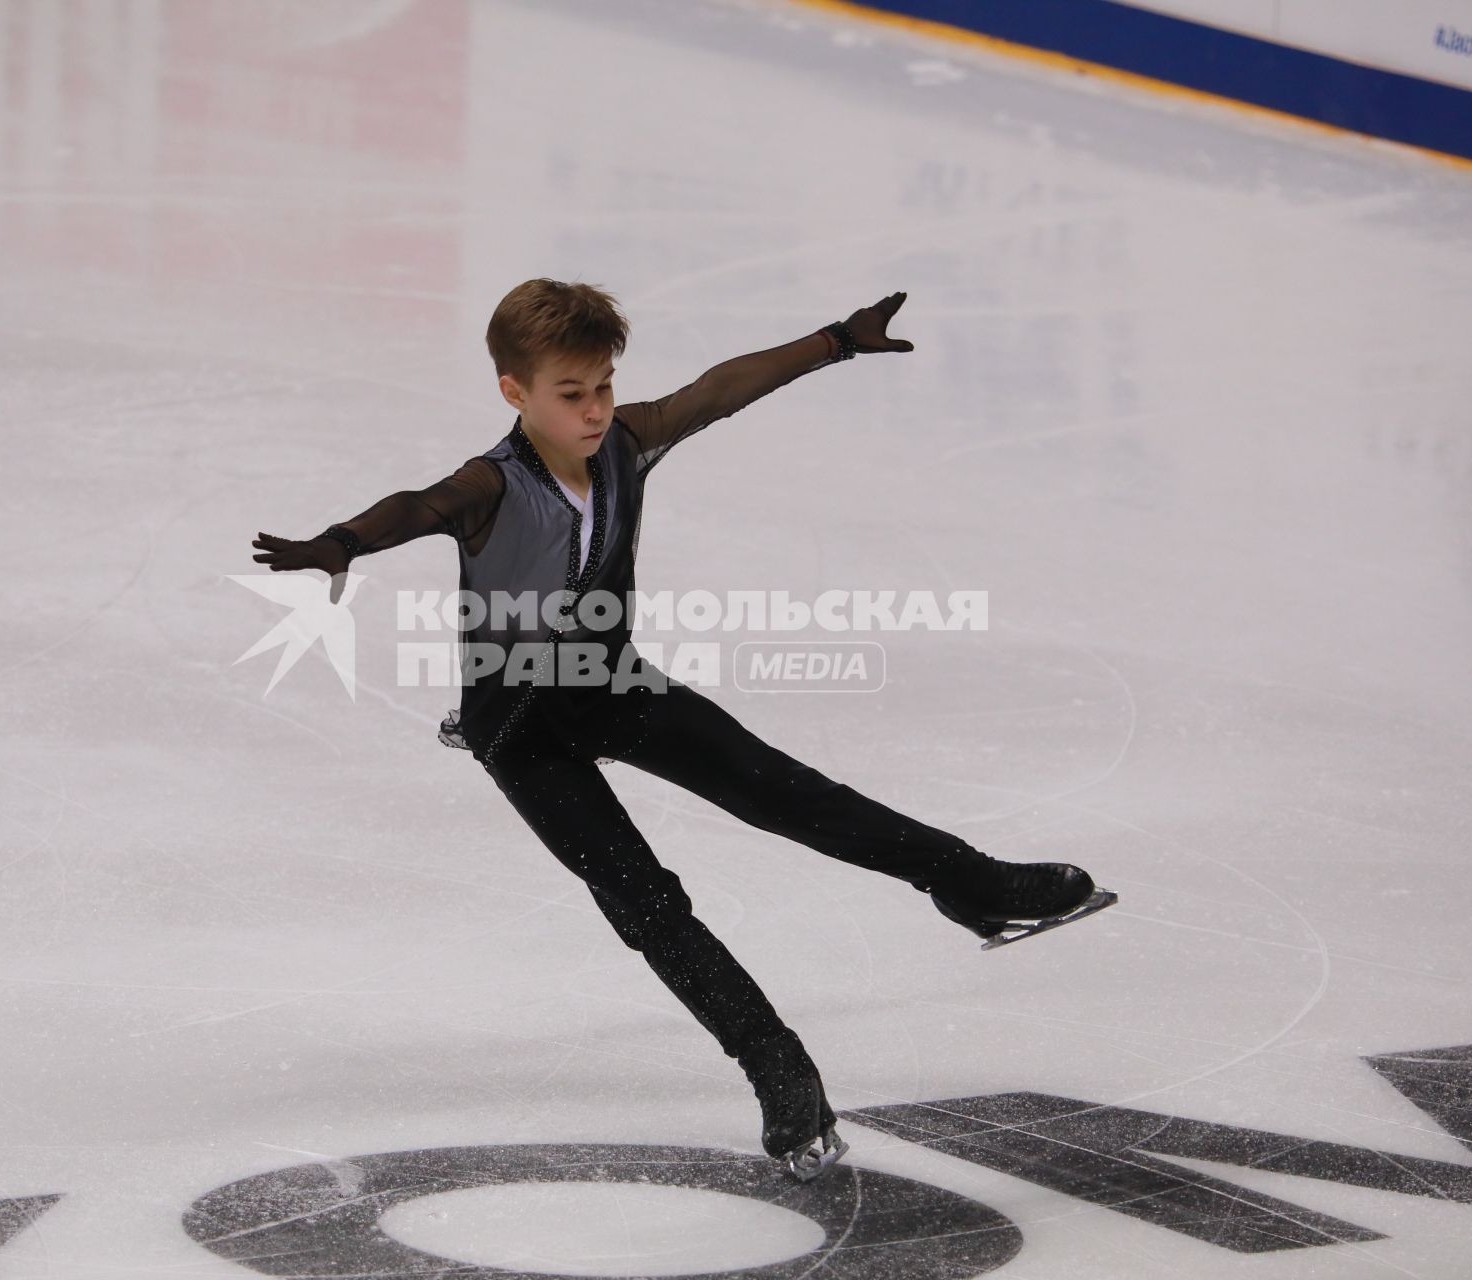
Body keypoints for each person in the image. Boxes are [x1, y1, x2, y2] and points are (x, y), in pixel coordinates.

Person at [251, 278, 1112, 1181]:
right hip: (520, 729)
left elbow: (717, 390)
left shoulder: (626, 442)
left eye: (604, 387)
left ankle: (970, 883)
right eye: (570, 394)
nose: (593, 411)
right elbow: (414, 506)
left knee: (789, 795)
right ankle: (778, 1068)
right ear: (515, 391)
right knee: (647, 902)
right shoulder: (490, 485)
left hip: (613, 685)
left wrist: (837, 341)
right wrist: (343, 542)